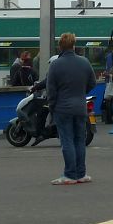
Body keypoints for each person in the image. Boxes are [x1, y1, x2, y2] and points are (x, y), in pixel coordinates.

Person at [45, 33, 97, 184]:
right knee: (80, 140)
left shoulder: (55, 64)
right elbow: (92, 83)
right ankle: (81, 173)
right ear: (74, 46)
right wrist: (81, 92)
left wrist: (52, 106)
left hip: (63, 108)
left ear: (60, 47)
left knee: (67, 140)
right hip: (80, 106)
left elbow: (51, 90)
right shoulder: (84, 62)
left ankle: (69, 174)